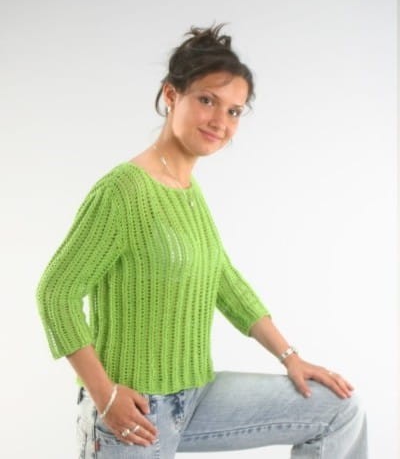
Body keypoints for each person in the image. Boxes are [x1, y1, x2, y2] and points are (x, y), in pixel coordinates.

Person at [36, 23, 368, 459]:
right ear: (171, 95)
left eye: (234, 111)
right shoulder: (122, 191)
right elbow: (55, 293)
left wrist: (290, 356)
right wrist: (105, 395)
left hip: (196, 396)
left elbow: (222, 278)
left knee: (338, 410)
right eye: (207, 101)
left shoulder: (188, 191)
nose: (220, 122)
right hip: (133, 412)